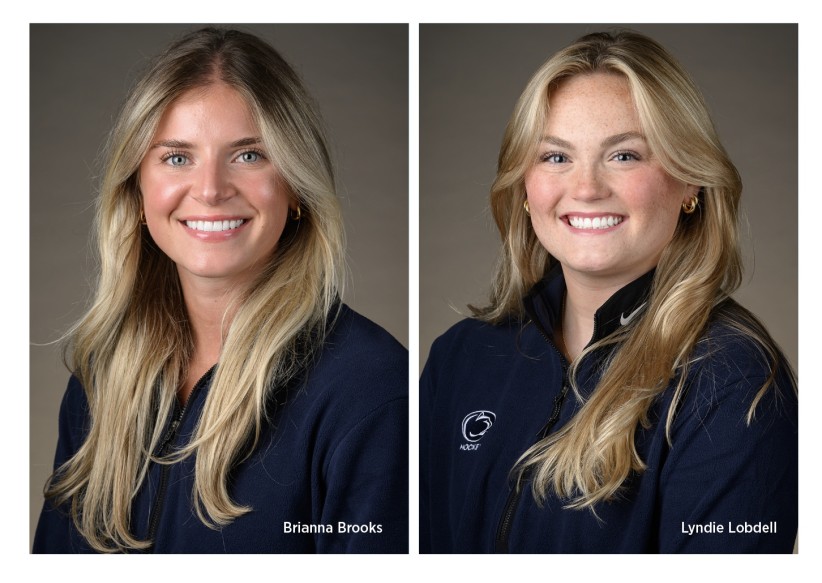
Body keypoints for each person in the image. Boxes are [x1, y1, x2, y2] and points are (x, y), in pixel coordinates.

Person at [420, 30, 797, 553]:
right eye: (555, 157)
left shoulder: (734, 384)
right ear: (524, 187)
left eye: (624, 156)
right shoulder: (460, 358)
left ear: (690, 183)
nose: (587, 187)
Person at [33, 27, 408, 553]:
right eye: (177, 157)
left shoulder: (368, 390)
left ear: (295, 187)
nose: (210, 189)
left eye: (249, 155)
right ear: (138, 190)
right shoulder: (103, 375)